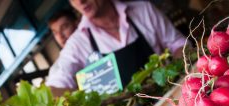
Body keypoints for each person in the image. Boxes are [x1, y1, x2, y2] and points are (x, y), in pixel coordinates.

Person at [46, 0, 187, 95]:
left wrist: (176, 73)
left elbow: (179, 44)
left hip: (169, 98)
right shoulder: (77, 44)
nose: (80, 1)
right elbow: (57, 83)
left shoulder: (143, 10)